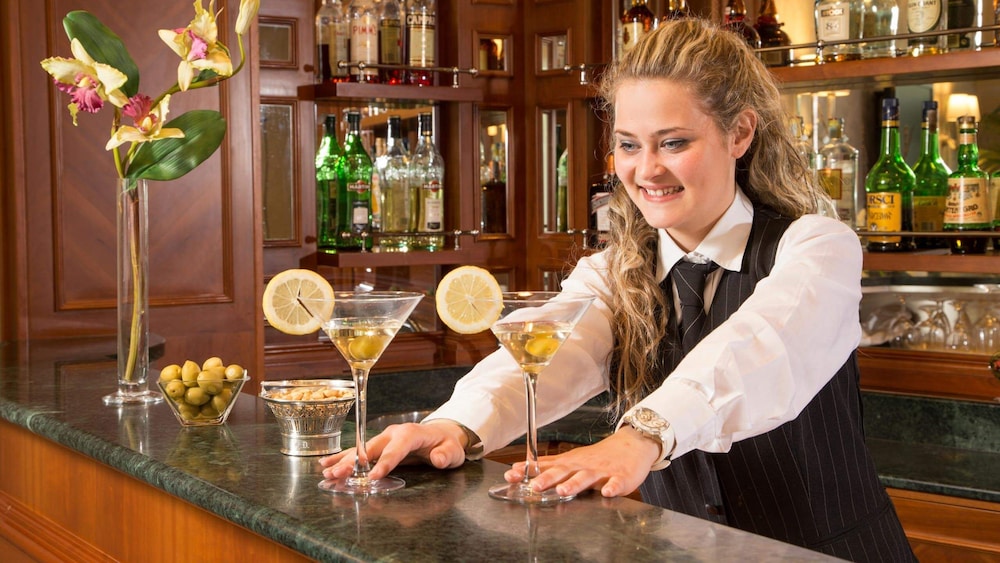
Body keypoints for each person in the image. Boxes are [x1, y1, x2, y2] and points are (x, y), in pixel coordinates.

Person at [320, 19, 915, 561]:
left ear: (739, 133)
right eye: (630, 144)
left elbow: (764, 345)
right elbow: (549, 352)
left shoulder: (816, 246)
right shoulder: (615, 271)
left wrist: (642, 436)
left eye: (674, 143)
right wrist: (455, 427)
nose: (646, 170)